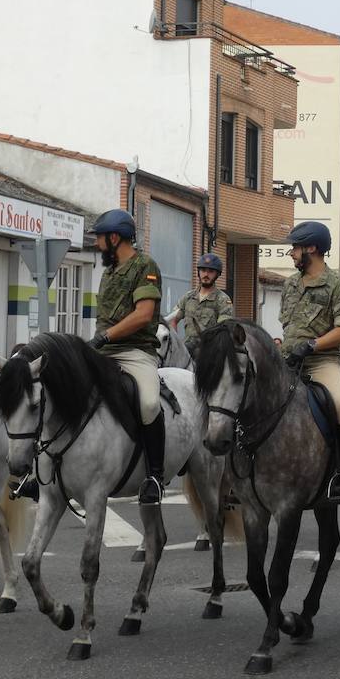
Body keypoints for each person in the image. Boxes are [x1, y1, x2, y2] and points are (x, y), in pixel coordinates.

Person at [86, 209, 167, 505]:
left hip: (135, 352)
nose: (97, 245)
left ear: (115, 237)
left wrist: (107, 336)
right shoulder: (108, 271)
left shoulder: (145, 265)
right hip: (102, 352)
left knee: (148, 402)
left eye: (100, 239)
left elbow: (143, 315)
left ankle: (155, 476)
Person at [277, 221, 340, 502]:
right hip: (287, 359)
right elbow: (288, 327)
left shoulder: (337, 284)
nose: (292, 253)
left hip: (321, 361)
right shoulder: (289, 284)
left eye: (295, 248)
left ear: (311, 248)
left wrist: (311, 345)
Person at [167, 252, 235, 359]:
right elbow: (174, 320)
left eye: (210, 271)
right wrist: (177, 344)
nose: (206, 275)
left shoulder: (222, 300)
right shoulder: (188, 297)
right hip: (187, 350)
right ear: (198, 272)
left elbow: (223, 329)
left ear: (217, 274)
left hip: (210, 352)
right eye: (203, 270)